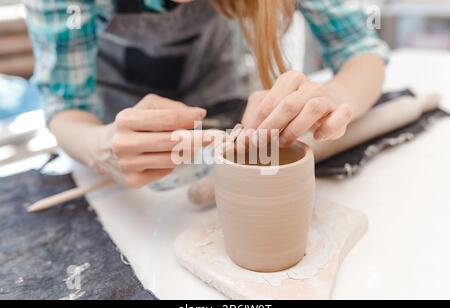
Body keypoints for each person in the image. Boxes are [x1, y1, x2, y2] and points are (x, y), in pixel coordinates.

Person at [24, 0, 389, 187]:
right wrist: (98, 144)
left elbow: (358, 46)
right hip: (111, 125)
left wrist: (335, 97)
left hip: (219, 92)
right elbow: (67, 106)